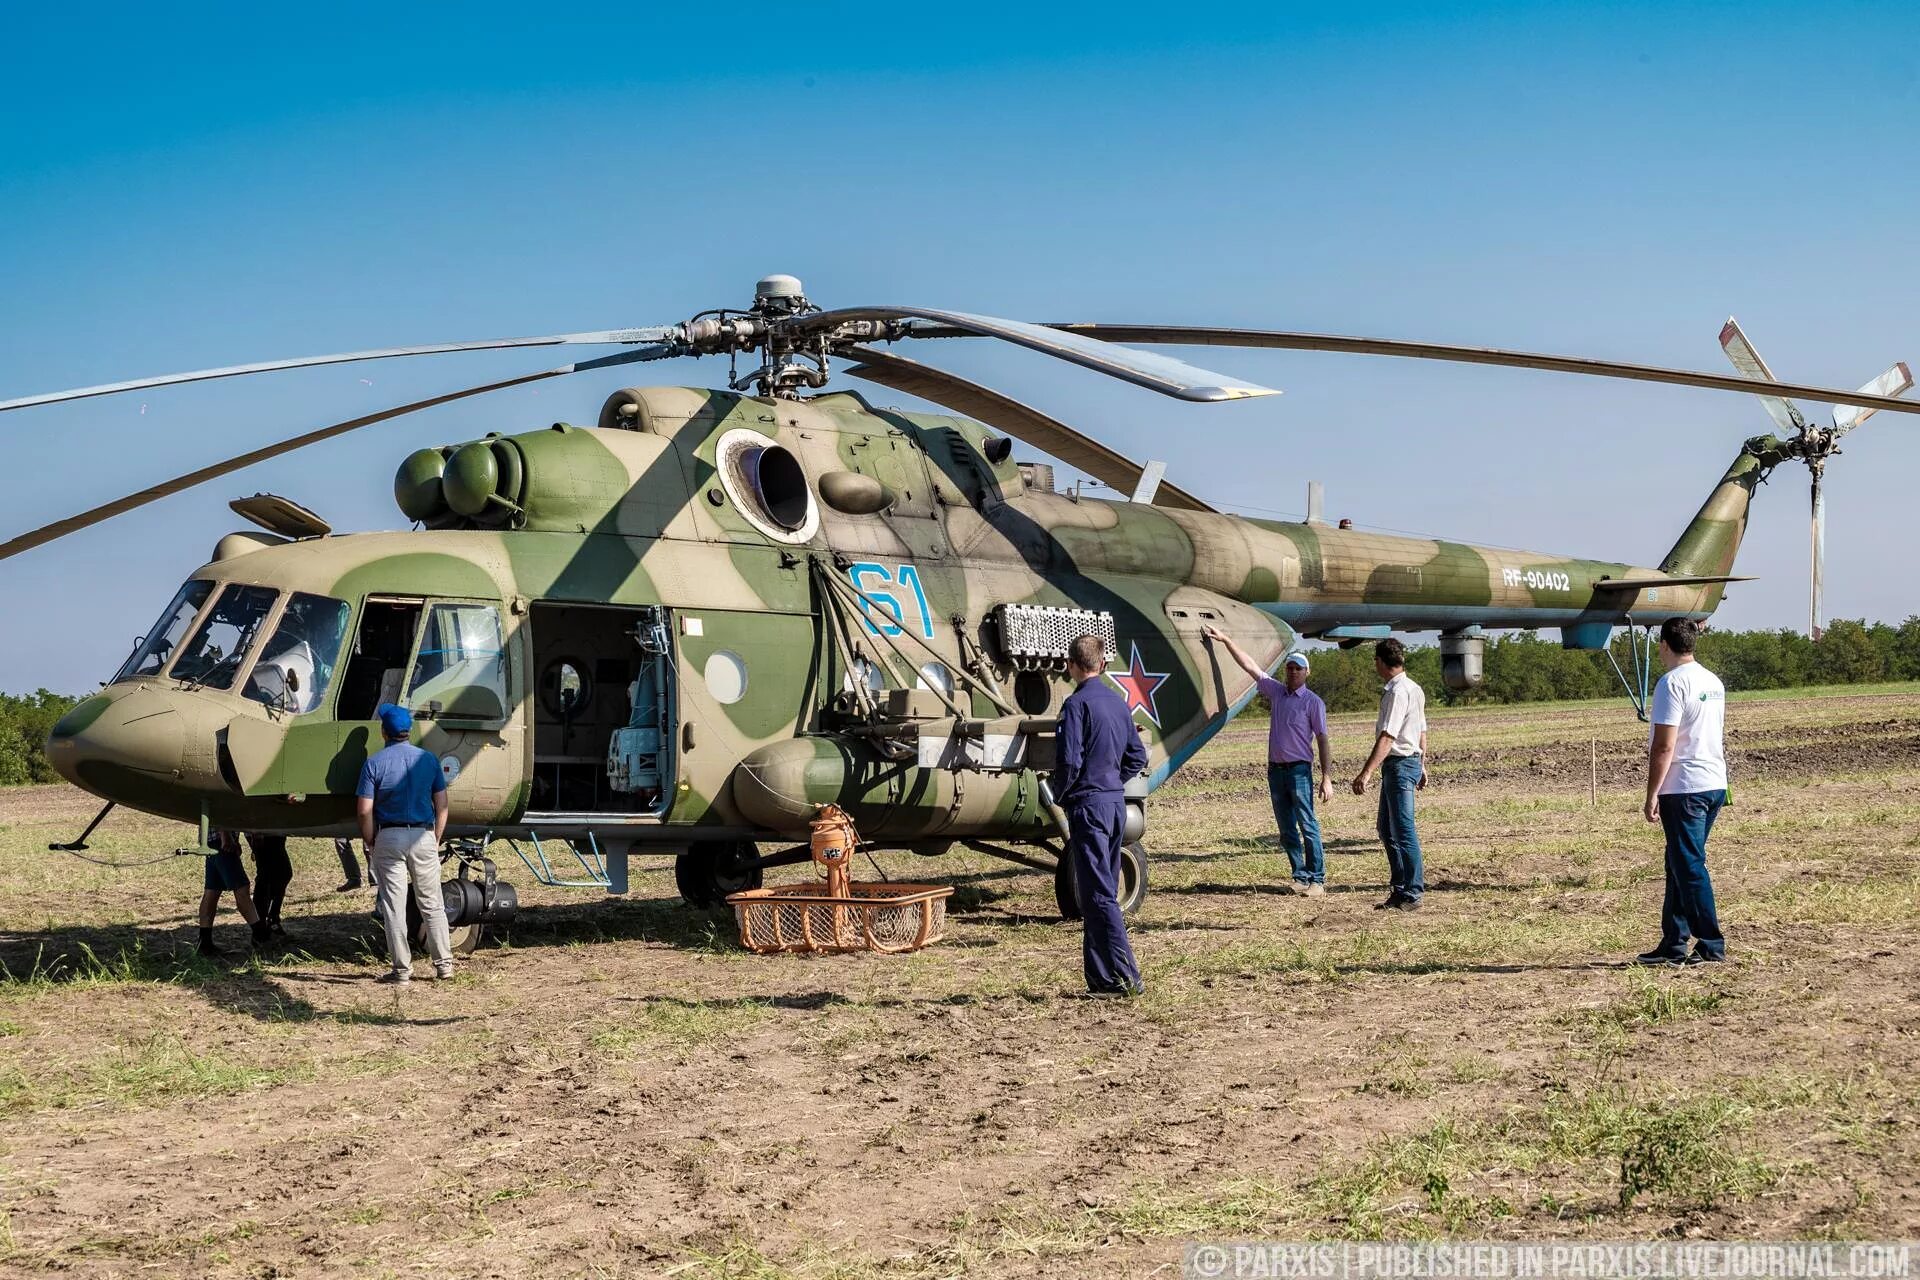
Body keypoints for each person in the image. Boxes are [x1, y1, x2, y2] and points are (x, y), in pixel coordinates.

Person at [1052, 634, 1150, 996]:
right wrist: (1110, 781)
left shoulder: (1076, 705)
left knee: (1101, 896)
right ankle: (1100, 979)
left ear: (1072, 665)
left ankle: (1129, 977)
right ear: (1102, 664)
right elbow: (1137, 758)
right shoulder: (1118, 703)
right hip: (1113, 805)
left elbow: (1069, 759)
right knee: (1096, 893)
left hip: (1089, 807)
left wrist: (1062, 793)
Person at [1203, 628, 1332, 895]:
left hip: (1299, 770)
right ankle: (1299, 875)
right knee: (1286, 827)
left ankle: (1317, 879)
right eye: (1290, 668)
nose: (1293, 672)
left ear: (1307, 672)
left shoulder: (1313, 702)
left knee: (1307, 824)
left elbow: (1322, 739)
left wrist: (1326, 777)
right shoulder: (1276, 693)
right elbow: (1251, 667)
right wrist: (1227, 640)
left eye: (1298, 668)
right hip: (1276, 771)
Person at [1636, 617, 1729, 966]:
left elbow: (1664, 746)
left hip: (1684, 788)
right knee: (1679, 861)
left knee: (1689, 865)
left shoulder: (1670, 684)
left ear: (1663, 644)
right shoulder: (1712, 681)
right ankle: (1673, 944)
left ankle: (1710, 943)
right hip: (1713, 783)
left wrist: (1651, 794)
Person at [356, 704, 455, 984]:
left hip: (389, 836)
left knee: (394, 906)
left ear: (384, 731)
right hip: (423, 835)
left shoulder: (374, 763)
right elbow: (443, 805)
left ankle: (401, 970)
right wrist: (436, 835)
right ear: (408, 731)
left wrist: (370, 839)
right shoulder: (428, 760)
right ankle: (444, 966)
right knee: (432, 902)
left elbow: (364, 810)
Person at [1351, 637, 1427, 910]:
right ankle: (1399, 888)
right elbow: (1421, 730)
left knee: (1403, 830)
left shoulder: (1397, 692)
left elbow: (1388, 735)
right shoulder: (1414, 688)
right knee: (1387, 828)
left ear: (1380, 662)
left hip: (1399, 764)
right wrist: (1422, 762)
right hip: (1408, 761)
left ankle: (1413, 892)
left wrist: (1366, 772)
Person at [198, 829, 272, 956]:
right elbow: (219, 809)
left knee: (212, 891)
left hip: (211, 840)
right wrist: (226, 836)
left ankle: (204, 943)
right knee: (241, 888)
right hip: (221, 839)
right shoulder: (223, 836)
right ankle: (260, 936)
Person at [247, 833, 294, 937]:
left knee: (283, 873)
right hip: (263, 831)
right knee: (266, 877)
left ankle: (271, 918)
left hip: (273, 830)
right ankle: (262, 925)